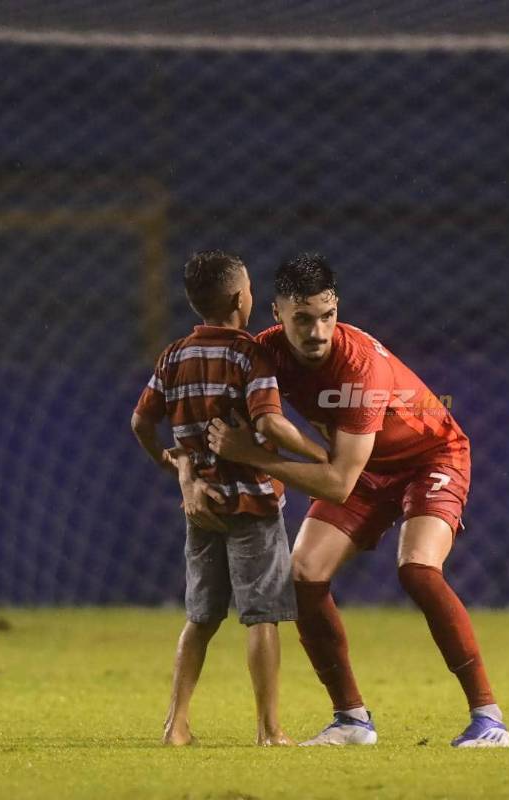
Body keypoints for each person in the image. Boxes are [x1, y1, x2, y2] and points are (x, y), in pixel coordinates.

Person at [202, 253, 509, 748]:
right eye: (303, 319)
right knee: (302, 577)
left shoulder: (359, 365)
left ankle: (489, 717)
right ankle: (351, 720)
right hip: (361, 466)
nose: (318, 332)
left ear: (337, 308)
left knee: (417, 569)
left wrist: (255, 458)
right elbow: (243, 420)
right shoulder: (266, 351)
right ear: (278, 314)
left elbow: (338, 484)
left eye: (327, 316)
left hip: (430, 457)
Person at [130, 249, 327, 747]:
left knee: (200, 617)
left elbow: (141, 422)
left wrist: (172, 463)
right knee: (263, 617)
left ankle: (175, 724)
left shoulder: (173, 356)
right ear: (241, 298)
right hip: (253, 503)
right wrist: (321, 453)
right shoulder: (248, 354)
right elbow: (270, 424)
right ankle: (269, 729)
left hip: (202, 506)